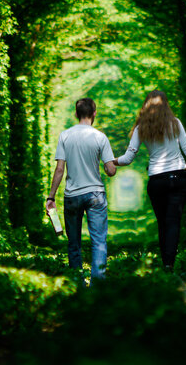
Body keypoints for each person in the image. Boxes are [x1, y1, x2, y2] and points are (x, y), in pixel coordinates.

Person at [114, 90, 186, 271]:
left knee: (163, 222)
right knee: (174, 221)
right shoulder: (175, 124)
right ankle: (169, 264)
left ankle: (166, 261)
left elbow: (128, 158)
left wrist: (111, 162)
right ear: (166, 105)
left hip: (157, 181)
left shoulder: (141, 128)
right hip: (178, 179)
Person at [46, 98, 117, 281]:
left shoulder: (65, 136)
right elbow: (110, 171)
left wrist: (51, 196)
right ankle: (98, 284)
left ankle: (76, 281)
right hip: (95, 195)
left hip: (72, 196)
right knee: (99, 241)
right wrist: (109, 163)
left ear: (76, 114)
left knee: (74, 242)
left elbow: (60, 169)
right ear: (94, 113)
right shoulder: (100, 137)